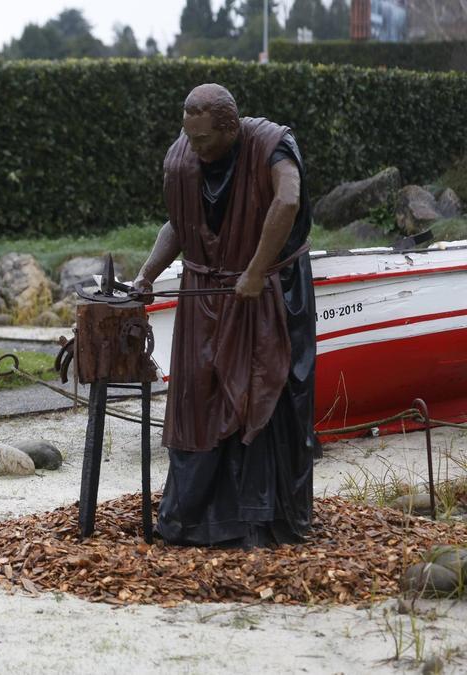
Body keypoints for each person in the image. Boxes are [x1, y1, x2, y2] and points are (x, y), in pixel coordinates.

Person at [132, 83, 318, 548]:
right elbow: (181, 221)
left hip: (269, 293)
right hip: (208, 295)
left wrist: (255, 271)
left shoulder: (271, 145)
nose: (195, 149)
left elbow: (288, 199)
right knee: (199, 395)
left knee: (265, 393)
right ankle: (195, 521)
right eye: (189, 138)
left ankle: (263, 522)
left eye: (204, 141)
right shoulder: (186, 158)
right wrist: (146, 275)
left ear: (231, 127)